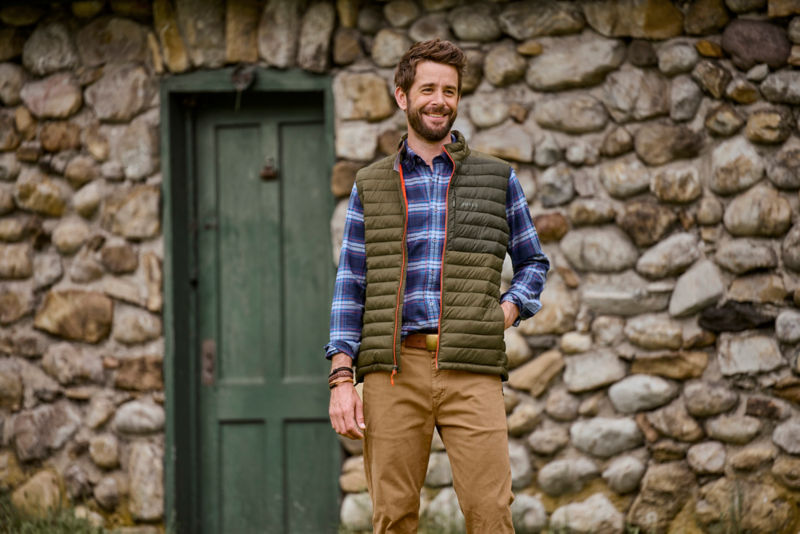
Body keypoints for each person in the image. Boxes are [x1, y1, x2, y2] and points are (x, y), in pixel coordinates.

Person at [326, 39, 549, 534]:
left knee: (491, 516)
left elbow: (533, 261)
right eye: (428, 88)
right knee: (393, 518)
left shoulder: (497, 178)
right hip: (393, 371)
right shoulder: (372, 183)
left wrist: (508, 311)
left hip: (471, 367)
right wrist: (342, 379)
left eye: (449, 90)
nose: (440, 100)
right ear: (403, 96)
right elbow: (352, 282)